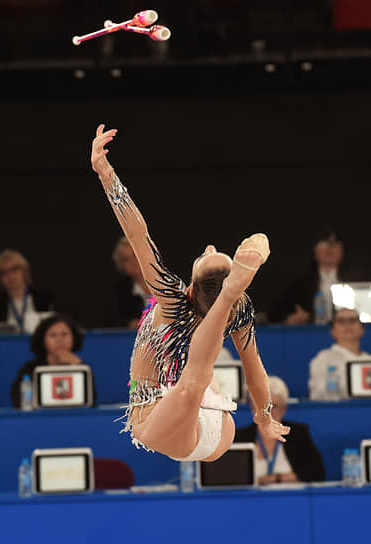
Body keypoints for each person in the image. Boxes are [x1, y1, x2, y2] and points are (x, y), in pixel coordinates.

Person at [91, 123, 290, 462]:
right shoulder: (240, 310)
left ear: (192, 287)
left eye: (206, 254)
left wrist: (106, 174)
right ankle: (228, 293)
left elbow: (138, 234)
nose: (210, 244)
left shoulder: (171, 296)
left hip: (164, 418)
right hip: (217, 426)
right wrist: (264, 416)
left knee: (192, 383)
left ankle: (227, 294)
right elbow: (253, 365)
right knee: (196, 377)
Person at [235, 376, 325, 484]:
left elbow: (317, 473)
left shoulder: (298, 434)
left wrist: (276, 479)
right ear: (252, 407)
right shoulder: (240, 437)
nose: (268, 412)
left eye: (274, 406)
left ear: (284, 409)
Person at [10, 313, 97, 408]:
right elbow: (19, 401)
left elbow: (91, 402)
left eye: (64, 334)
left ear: (74, 338)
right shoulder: (30, 369)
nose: (59, 340)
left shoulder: (83, 369)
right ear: (43, 340)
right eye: (53, 335)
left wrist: (78, 367)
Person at [269, 229, 347, 325]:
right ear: (314, 249)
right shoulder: (299, 284)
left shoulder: (353, 282)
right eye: (324, 242)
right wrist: (290, 319)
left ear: (343, 252)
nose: (330, 247)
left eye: (335, 244)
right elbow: (274, 314)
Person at [0, 249, 54, 333]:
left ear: (24, 271)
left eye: (14, 269)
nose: (10, 276)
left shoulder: (43, 298)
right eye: (4, 272)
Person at [308, 307, 370, 400]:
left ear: (362, 329)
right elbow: (318, 395)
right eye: (341, 321)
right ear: (333, 331)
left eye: (352, 320)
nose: (347, 324)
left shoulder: (370, 360)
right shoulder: (323, 359)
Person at [110, 236, 151, 329]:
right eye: (127, 259)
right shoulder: (119, 291)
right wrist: (130, 324)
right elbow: (115, 320)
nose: (133, 262)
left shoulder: (164, 282)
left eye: (135, 256)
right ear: (121, 264)